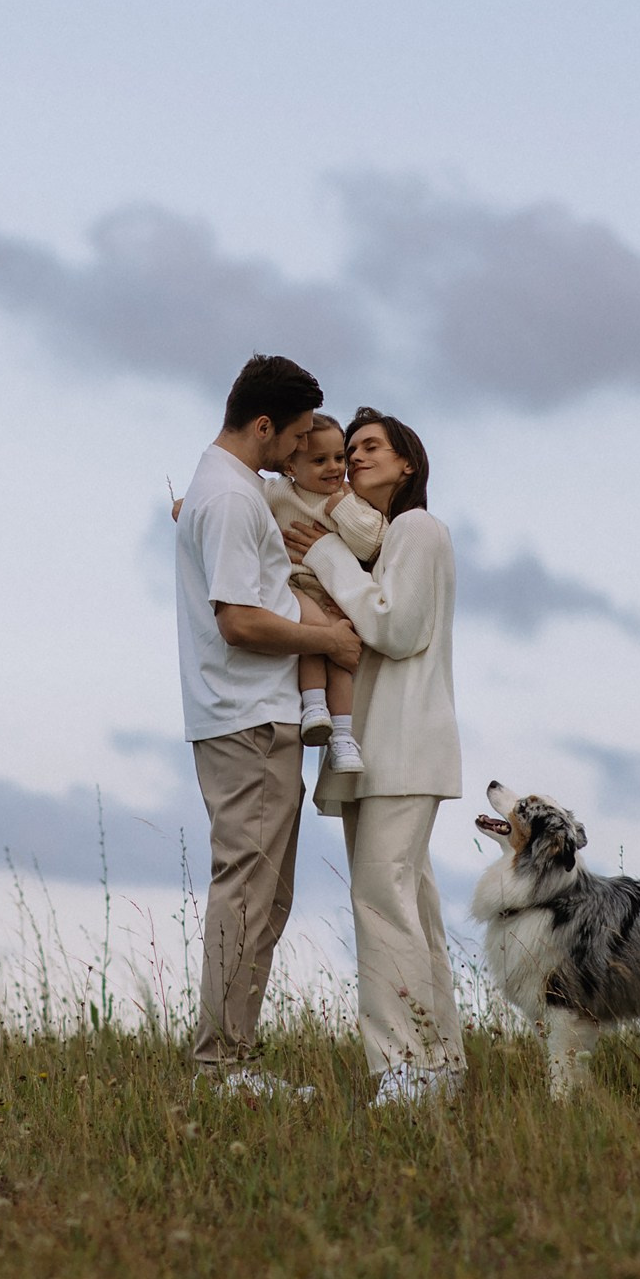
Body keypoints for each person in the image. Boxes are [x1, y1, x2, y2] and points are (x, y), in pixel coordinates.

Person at [175, 354, 364, 1096]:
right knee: (248, 894)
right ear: (263, 426)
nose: (300, 455)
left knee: (267, 897)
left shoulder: (231, 491)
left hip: (256, 716)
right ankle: (220, 1066)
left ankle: (234, 1060)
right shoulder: (228, 498)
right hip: (245, 719)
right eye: (293, 440)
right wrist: (329, 642)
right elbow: (238, 621)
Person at [283, 406, 466, 1106]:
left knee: (381, 900)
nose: (355, 457)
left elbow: (397, 626)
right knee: (409, 904)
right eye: (350, 448)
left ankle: (404, 1068)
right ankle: (439, 1066)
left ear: (407, 464)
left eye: (370, 447)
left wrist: (324, 556)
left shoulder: (418, 528)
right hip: (390, 750)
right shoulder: (382, 542)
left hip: (404, 746)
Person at [261, 413, 386, 775]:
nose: (334, 468)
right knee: (316, 636)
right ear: (290, 466)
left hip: (334, 594)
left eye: (339, 459)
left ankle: (343, 737)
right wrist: (188, 505)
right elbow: (234, 499)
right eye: (319, 460)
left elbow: (370, 543)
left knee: (342, 654)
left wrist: (342, 507)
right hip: (295, 586)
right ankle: (314, 707)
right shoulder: (278, 492)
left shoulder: (349, 501)